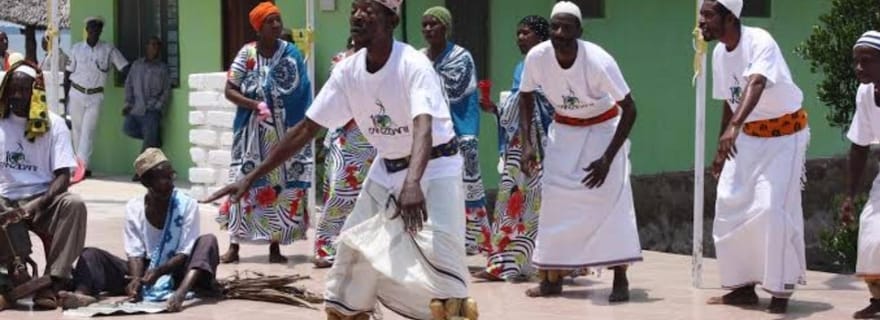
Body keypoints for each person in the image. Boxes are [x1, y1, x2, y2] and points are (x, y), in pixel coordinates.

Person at [203, 0, 480, 318]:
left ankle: (450, 309)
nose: (357, 16)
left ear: (391, 20)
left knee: (443, 263)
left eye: (368, 10)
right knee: (353, 255)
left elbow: (423, 126)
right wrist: (251, 177)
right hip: (388, 168)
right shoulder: (347, 71)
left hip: (436, 166)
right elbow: (307, 128)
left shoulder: (413, 64)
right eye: (354, 9)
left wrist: (412, 182)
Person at [518, 2, 641, 302]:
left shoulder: (599, 61)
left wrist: (607, 159)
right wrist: (527, 144)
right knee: (555, 203)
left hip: (603, 130)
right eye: (555, 27)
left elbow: (630, 109)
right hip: (564, 131)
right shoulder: (537, 57)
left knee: (610, 202)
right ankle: (551, 280)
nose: (560, 33)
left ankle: (620, 278)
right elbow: (525, 96)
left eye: (567, 27)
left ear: (579, 31)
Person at [699, 0, 809, 314]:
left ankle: (780, 290)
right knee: (728, 205)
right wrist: (721, 148)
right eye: (701, 15)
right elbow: (729, 100)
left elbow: (756, 82)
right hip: (747, 135)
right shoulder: (719, 54)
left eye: (708, 15)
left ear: (729, 17)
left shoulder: (760, 40)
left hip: (784, 136)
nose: (701, 21)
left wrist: (734, 127)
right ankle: (742, 288)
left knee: (772, 209)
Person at [59, 148, 220, 312]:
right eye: (164, 178)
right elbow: (135, 252)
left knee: (208, 241)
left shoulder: (187, 205)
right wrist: (136, 280)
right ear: (146, 182)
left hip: (179, 271)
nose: (171, 182)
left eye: (171, 175)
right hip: (147, 272)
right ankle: (81, 295)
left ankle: (180, 294)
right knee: (90, 255)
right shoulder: (134, 207)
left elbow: (185, 251)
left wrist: (159, 272)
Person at [216, 2, 314, 264]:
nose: (276, 25)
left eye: (278, 19)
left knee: (278, 186)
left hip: (284, 132)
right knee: (242, 182)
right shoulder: (246, 54)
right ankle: (234, 245)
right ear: (258, 28)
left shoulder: (291, 53)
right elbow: (229, 90)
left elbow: (302, 89)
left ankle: (275, 246)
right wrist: (254, 104)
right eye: (270, 21)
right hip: (251, 134)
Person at [0, 61, 88, 309]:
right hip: (6, 200)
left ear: (35, 91)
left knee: (74, 204)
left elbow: (63, 177)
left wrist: (38, 204)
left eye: (23, 90)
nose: (17, 96)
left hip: (43, 200)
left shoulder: (54, 124)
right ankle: (18, 270)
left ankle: (53, 280)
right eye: (12, 90)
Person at [472, 15, 553, 282]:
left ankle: (549, 264)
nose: (520, 38)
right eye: (518, 33)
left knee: (540, 204)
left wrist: (510, 107)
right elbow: (520, 105)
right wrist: (497, 109)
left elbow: (539, 102)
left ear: (541, 36)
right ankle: (504, 264)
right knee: (513, 203)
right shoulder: (523, 66)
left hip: (540, 146)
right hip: (521, 145)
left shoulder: (550, 65)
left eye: (526, 33)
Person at [421, 6, 490, 255]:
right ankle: (435, 238)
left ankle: (474, 239)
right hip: (428, 132)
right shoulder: (419, 58)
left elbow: (459, 92)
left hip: (460, 130)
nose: (428, 29)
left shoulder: (462, 57)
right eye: (425, 25)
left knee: (467, 185)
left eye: (434, 24)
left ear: (446, 27)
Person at [313, 38, 377, 269]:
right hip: (345, 136)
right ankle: (325, 247)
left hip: (373, 138)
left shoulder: (381, 61)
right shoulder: (341, 62)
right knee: (340, 192)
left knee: (369, 196)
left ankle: (360, 249)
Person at [840, 30, 880, 319]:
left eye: (866, 61)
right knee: (871, 233)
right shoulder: (865, 93)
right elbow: (859, 146)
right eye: (856, 61)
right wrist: (850, 196)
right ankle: (879, 299)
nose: (859, 67)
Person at [65, 16, 129, 176]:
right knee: (76, 131)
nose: (94, 31)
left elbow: (124, 67)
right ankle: (80, 166)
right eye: (91, 28)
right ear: (86, 30)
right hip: (76, 93)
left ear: (101, 31)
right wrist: (65, 97)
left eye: (97, 29)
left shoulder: (108, 50)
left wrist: (135, 80)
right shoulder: (76, 49)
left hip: (95, 96)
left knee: (88, 132)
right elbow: (67, 73)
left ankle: (80, 168)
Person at [123, 36, 170, 160]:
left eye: (157, 45)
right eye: (152, 44)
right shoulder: (137, 65)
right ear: (147, 47)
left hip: (152, 110)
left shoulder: (162, 68)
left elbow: (166, 90)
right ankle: (155, 137)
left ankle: (141, 167)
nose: (154, 48)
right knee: (127, 129)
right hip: (137, 108)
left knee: (147, 145)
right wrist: (128, 103)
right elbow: (129, 84)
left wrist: (158, 106)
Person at [39, 34, 70, 116]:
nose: (41, 43)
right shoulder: (51, 55)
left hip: (55, 96)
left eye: (43, 40)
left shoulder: (56, 57)